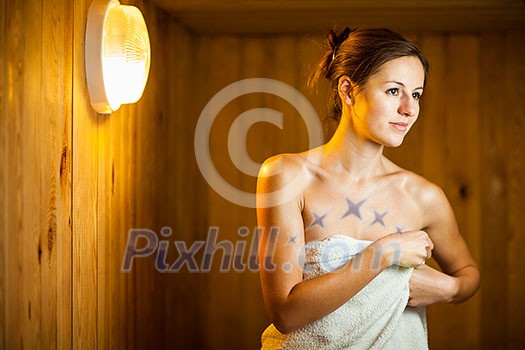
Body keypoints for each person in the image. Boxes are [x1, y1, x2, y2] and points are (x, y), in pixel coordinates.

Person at [256, 27, 480, 349]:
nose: (409, 109)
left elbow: (468, 273)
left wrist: (450, 289)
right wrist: (384, 253)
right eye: (393, 91)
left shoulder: (424, 197)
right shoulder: (287, 176)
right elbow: (286, 313)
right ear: (348, 90)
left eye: (416, 94)